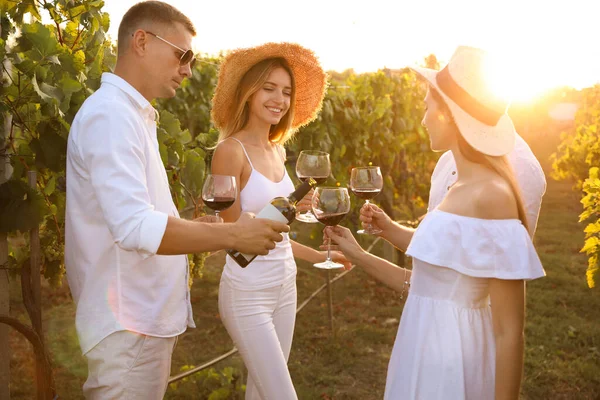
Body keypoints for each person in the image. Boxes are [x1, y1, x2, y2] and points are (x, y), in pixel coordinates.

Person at [65, 2, 288, 398]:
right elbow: (134, 227)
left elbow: (139, 214)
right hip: (130, 323)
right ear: (141, 41)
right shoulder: (112, 116)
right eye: (181, 55)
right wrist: (234, 235)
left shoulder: (133, 116)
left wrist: (201, 227)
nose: (187, 69)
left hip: (140, 321)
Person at [324, 46, 546, 399]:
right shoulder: (456, 184)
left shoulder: (492, 195)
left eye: (427, 107)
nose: (423, 119)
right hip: (420, 348)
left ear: (449, 115)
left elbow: (509, 332)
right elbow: (420, 285)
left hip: (455, 363)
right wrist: (358, 251)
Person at [210, 42, 350, 399]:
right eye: (269, 88)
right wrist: (281, 212)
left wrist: (315, 250)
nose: (280, 99)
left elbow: (277, 231)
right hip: (247, 291)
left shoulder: (278, 149)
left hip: (286, 284)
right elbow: (236, 239)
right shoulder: (230, 151)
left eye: (286, 91)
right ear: (248, 93)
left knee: (261, 392)